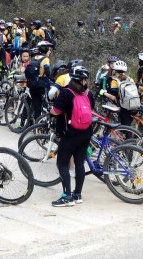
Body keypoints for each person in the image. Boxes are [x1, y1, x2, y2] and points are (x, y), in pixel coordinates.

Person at [50, 65, 94, 206]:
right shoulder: (89, 94)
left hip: (70, 134)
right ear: (83, 80)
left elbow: (56, 111)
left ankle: (66, 196)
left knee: (62, 164)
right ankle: (77, 194)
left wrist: (51, 109)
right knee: (79, 163)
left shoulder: (66, 93)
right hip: (86, 133)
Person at [100, 60, 133, 126]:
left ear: (115, 70)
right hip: (132, 104)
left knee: (123, 126)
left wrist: (103, 93)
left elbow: (113, 96)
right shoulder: (130, 79)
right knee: (128, 125)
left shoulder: (114, 81)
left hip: (122, 106)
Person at [28, 41, 52, 120]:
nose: (50, 51)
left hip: (32, 85)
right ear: (45, 49)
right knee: (45, 105)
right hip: (42, 85)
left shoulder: (33, 58)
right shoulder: (46, 59)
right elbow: (48, 72)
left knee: (36, 107)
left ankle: (36, 126)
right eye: (49, 49)